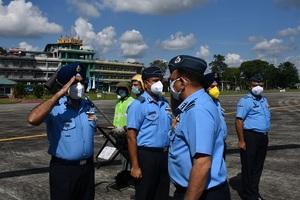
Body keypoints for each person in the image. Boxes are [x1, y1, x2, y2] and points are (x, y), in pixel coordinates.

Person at [27, 63, 97, 200]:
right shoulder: (55, 107)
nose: (79, 86)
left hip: (87, 169)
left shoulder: (89, 106)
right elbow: (32, 119)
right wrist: (59, 94)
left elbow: (92, 126)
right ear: (65, 85)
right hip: (64, 170)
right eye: (74, 82)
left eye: (81, 82)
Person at [168, 55, 230, 200]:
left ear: (182, 82)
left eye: (172, 81)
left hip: (201, 193)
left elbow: (202, 164)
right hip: (200, 190)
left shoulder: (197, 110)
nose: (170, 86)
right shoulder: (198, 103)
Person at [127, 66, 171, 200]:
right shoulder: (138, 104)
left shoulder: (165, 102)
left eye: (160, 80)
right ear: (145, 84)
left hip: (164, 155)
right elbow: (131, 136)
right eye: (155, 80)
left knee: (162, 192)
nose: (159, 84)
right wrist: (135, 166)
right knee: (145, 193)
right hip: (146, 156)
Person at [235, 74, 271, 200]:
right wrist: (241, 140)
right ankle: (248, 195)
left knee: (257, 167)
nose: (258, 87)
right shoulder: (245, 101)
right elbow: (239, 121)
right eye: (255, 84)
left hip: (263, 136)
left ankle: (254, 193)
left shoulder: (264, 100)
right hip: (250, 137)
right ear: (250, 85)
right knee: (249, 167)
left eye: (260, 84)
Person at [204, 72, 228, 159]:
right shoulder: (203, 103)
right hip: (211, 145)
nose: (215, 89)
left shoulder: (216, 102)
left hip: (221, 142)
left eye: (216, 86)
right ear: (205, 88)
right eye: (212, 86)